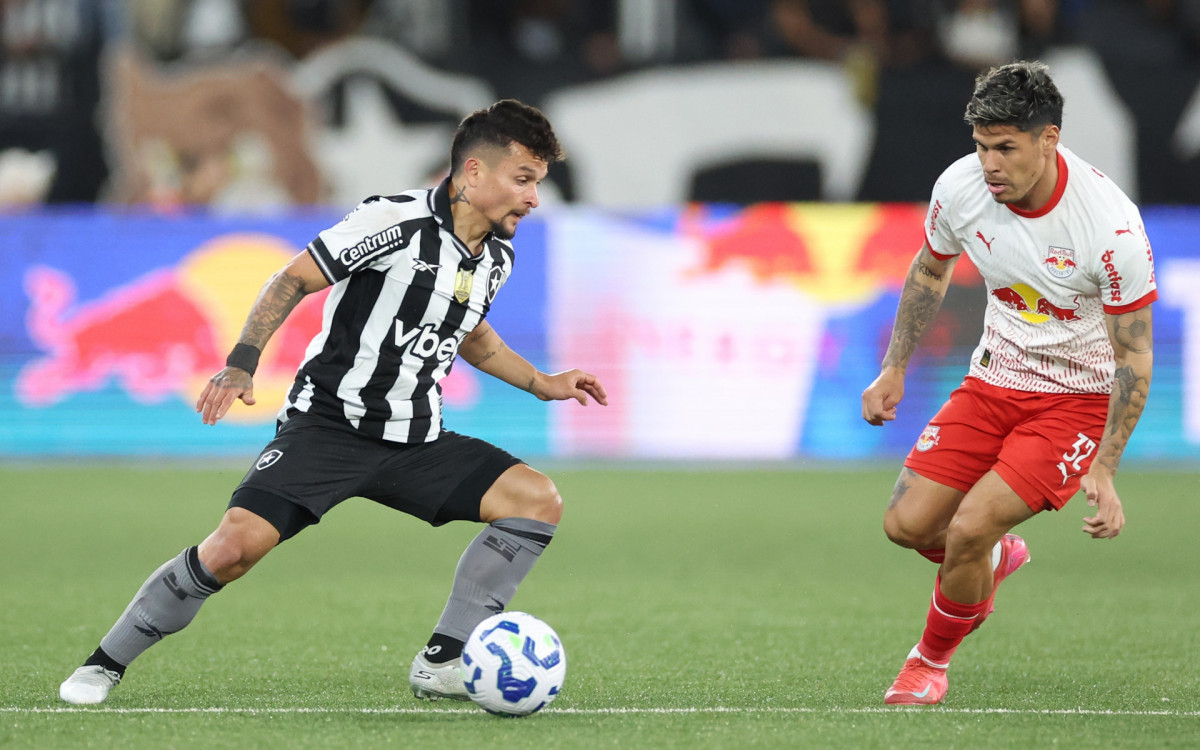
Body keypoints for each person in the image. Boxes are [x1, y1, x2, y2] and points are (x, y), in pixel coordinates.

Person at [58, 99, 608, 706]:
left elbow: (472, 334)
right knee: (232, 549)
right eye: (523, 180)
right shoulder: (394, 223)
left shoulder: (495, 257)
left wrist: (542, 382)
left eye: (537, 184)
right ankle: (103, 664)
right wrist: (242, 361)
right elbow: (292, 277)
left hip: (415, 438)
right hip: (327, 429)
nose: (533, 199)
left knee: (535, 500)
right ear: (473, 173)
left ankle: (443, 660)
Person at [861, 61, 1155, 706]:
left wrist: (1105, 465)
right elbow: (930, 270)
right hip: (992, 380)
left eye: (1005, 148)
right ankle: (995, 559)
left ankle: (927, 663)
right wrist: (895, 366)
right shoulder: (961, 188)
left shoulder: (1110, 230)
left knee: (968, 530)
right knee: (906, 527)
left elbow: (1134, 355)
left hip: (1073, 404)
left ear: (1048, 140)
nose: (989, 164)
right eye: (980, 146)